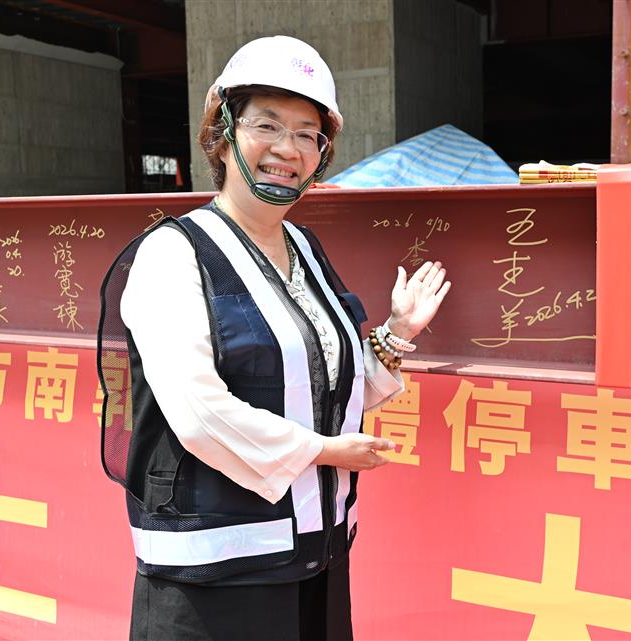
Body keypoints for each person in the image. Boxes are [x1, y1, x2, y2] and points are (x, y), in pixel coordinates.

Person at [97, 36, 451, 641]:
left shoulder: (305, 250)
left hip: (314, 558)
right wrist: (325, 451)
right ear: (223, 134)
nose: (288, 148)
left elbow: (319, 390)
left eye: (308, 134)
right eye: (267, 125)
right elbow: (199, 413)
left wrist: (397, 333)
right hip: (212, 582)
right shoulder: (173, 254)